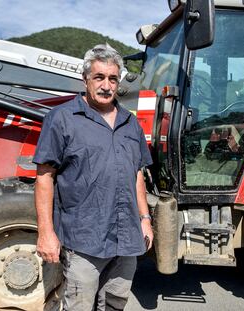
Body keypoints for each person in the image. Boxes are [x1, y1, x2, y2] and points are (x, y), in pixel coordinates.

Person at [33, 43, 153, 311]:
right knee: (80, 304)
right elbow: (44, 177)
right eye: (99, 77)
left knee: (114, 302)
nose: (107, 85)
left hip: (126, 237)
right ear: (85, 79)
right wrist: (46, 233)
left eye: (113, 78)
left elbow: (137, 174)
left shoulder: (130, 122)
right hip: (84, 238)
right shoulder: (62, 118)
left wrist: (144, 219)